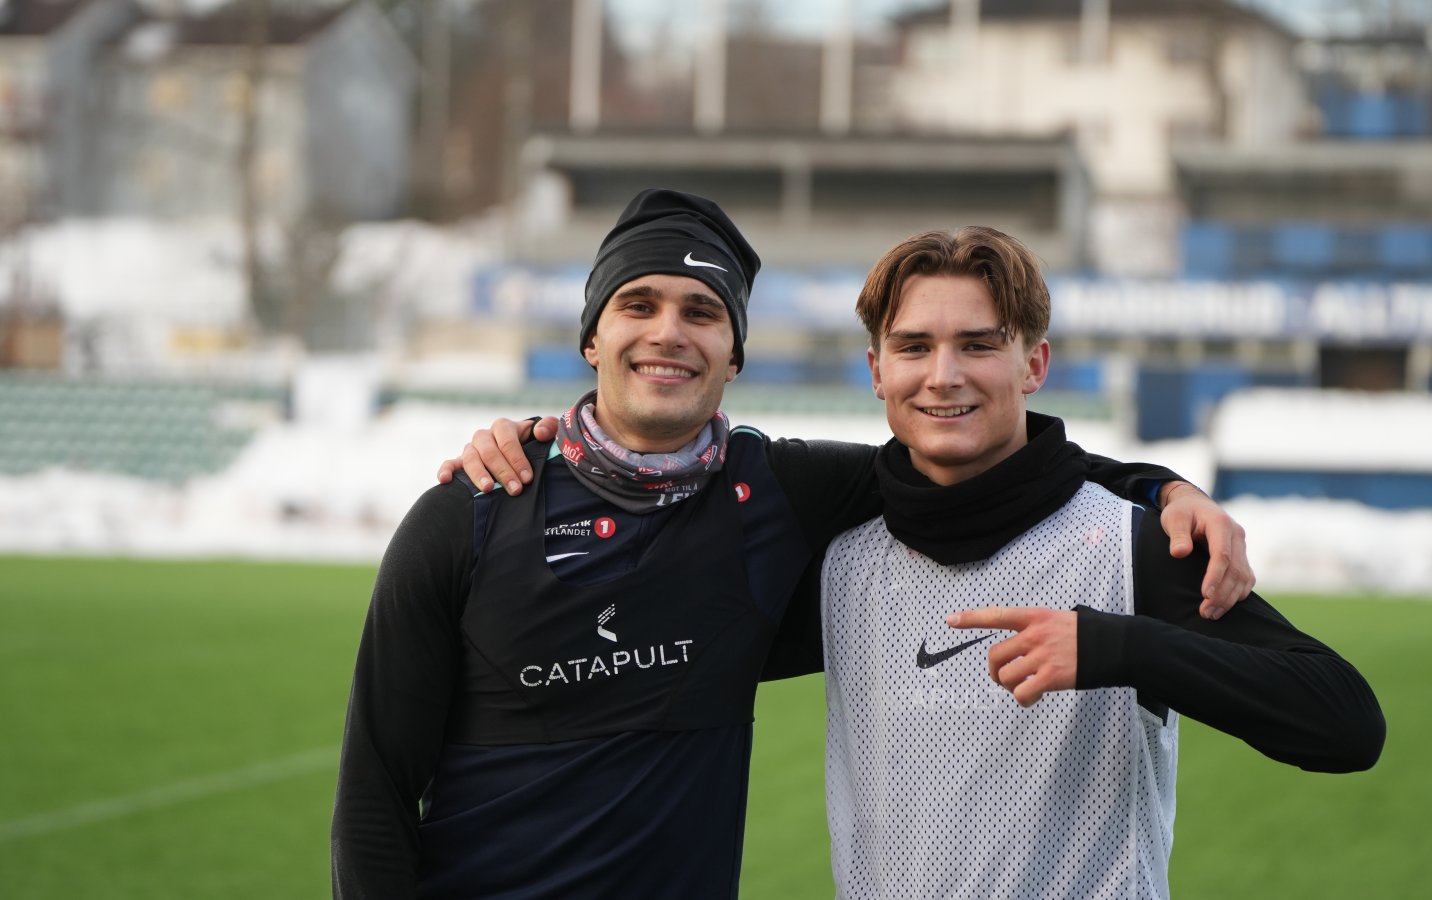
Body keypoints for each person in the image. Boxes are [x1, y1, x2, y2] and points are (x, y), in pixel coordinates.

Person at [334, 189, 1249, 899]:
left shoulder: (777, 491)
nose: (668, 332)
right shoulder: (472, 513)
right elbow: (373, 798)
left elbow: (980, 455)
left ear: (733, 353)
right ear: (592, 337)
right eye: (638, 304)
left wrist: (1158, 486)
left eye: (703, 312)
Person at [805, 226, 1384, 897]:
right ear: (878, 371)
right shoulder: (838, 558)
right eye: (913, 347)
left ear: (1034, 365)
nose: (943, 375)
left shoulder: (1133, 546)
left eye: (978, 344)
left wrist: (1122, 647)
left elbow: (1348, 725)